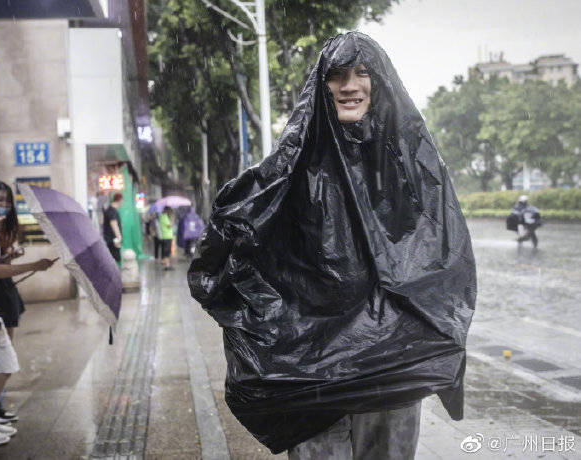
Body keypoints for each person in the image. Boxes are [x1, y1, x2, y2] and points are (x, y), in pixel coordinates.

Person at [188, 32, 476, 459]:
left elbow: (445, 260)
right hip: (311, 369)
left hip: (390, 367)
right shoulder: (290, 170)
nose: (350, 85)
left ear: (380, 83)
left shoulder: (414, 169)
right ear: (320, 88)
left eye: (363, 73)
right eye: (337, 76)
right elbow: (234, 246)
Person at [0, 180, 56, 447]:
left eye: (7, 201)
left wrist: (10, 258)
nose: (3, 205)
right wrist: (34, 265)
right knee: (3, 363)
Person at [102, 192, 123, 263]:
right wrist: (119, 237)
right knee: (115, 260)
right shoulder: (112, 211)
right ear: (120, 200)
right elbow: (113, 224)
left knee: (112, 261)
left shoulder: (109, 210)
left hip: (110, 240)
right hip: (113, 240)